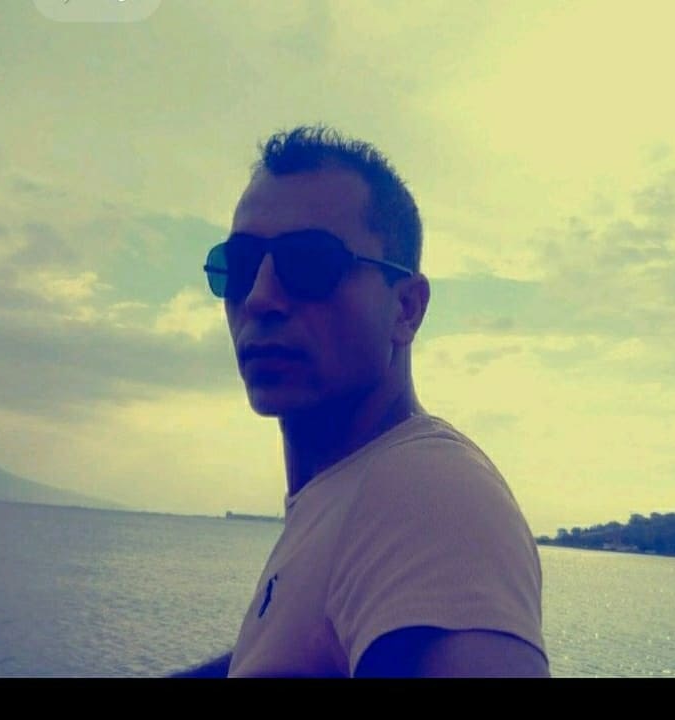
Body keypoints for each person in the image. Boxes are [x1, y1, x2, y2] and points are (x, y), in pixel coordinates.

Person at [176, 125, 549, 678]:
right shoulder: (347, 494)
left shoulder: (429, 494)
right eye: (241, 264)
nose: (258, 298)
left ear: (406, 309)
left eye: (310, 264)